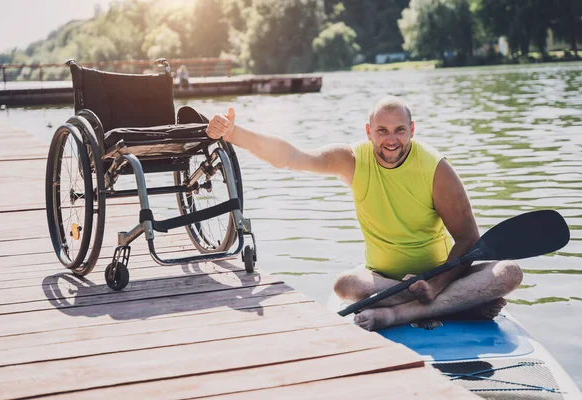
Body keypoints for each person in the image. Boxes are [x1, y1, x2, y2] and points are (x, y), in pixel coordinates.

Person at [205, 96, 523, 331]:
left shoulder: (436, 169)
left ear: (412, 130)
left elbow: (468, 238)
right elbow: (291, 156)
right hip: (384, 283)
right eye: (382, 131)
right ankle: (455, 306)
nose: (391, 140)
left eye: (400, 130)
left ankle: (402, 314)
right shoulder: (353, 160)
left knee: (509, 272)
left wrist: (436, 284)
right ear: (369, 131)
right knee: (345, 284)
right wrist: (235, 134)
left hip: (440, 278)